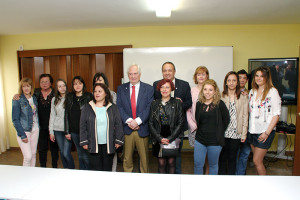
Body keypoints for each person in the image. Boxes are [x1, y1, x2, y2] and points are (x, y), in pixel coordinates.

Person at [153, 61, 192, 174]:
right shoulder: (156, 84)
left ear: (174, 71)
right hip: (161, 130)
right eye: (165, 70)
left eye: (170, 70)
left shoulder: (184, 84)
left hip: (177, 130)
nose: (167, 73)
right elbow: (155, 104)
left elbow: (189, 102)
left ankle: (176, 182)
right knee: (161, 161)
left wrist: (179, 105)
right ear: (162, 72)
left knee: (175, 159)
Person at [117, 64, 154, 173]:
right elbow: (119, 106)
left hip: (142, 128)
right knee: (127, 159)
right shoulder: (121, 88)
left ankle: (144, 180)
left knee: (144, 159)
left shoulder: (148, 88)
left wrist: (137, 121)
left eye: (135, 73)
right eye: (130, 74)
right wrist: (129, 122)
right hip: (127, 128)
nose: (133, 76)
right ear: (128, 75)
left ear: (140, 74)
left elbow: (149, 107)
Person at [80, 83, 124, 171]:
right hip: (93, 144)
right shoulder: (87, 107)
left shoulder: (113, 107)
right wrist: (84, 142)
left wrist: (118, 140)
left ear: (106, 94)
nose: (97, 93)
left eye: (100, 91)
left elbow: (118, 124)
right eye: (95, 91)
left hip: (109, 144)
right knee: (96, 170)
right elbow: (82, 125)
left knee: (107, 169)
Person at [248, 67, 281, 175]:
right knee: (258, 161)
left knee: (256, 161)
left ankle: (265, 185)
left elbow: (276, 114)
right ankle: (259, 183)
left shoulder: (272, 92)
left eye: (261, 76)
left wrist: (266, 133)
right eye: (257, 75)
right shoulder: (252, 91)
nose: (258, 78)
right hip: (252, 131)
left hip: (264, 131)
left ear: (267, 78)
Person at [194, 79, 230, 175]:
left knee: (213, 165)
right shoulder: (199, 104)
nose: (207, 92)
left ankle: (211, 187)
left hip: (215, 141)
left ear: (215, 91)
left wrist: (219, 132)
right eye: (205, 89)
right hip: (200, 139)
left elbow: (226, 120)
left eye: (210, 90)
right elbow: (198, 121)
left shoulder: (220, 104)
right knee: (198, 164)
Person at [149, 79, 183, 174]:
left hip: (172, 137)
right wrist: (159, 138)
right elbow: (150, 123)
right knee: (161, 164)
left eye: (167, 87)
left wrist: (170, 138)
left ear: (171, 89)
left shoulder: (177, 103)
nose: (164, 89)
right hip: (158, 138)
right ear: (159, 89)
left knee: (172, 163)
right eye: (162, 87)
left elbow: (180, 123)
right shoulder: (154, 104)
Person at [218, 71, 248, 175]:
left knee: (232, 158)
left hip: (236, 133)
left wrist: (243, 134)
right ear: (226, 82)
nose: (231, 83)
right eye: (229, 80)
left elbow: (245, 116)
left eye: (234, 80)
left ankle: (231, 180)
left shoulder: (243, 96)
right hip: (223, 133)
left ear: (237, 83)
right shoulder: (220, 96)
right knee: (222, 158)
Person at [93, 72, 119, 171]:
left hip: (110, 130)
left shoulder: (112, 94)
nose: (98, 82)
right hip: (97, 130)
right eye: (96, 81)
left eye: (100, 80)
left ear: (105, 81)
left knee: (111, 156)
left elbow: (115, 112)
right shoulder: (93, 95)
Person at [65, 76, 93, 170]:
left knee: (86, 154)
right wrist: (67, 131)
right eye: (75, 84)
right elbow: (66, 114)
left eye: (79, 83)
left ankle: (89, 172)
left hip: (85, 130)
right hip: (74, 130)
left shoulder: (88, 96)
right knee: (80, 154)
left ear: (83, 85)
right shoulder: (69, 96)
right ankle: (82, 172)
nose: (77, 86)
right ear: (72, 86)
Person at [12, 78, 39, 167]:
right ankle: (25, 177)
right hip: (24, 131)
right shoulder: (17, 99)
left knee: (34, 154)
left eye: (28, 86)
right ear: (21, 88)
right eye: (24, 86)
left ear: (31, 87)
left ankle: (32, 175)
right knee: (28, 157)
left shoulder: (34, 98)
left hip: (35, 130)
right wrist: (22, 134)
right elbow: (15, 119)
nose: (26, 88)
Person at [49, 79, 75, 169]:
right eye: (60, 86)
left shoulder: (71, 97)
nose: (62, 88)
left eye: (63, 85)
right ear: (57, 88)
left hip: (68, 129)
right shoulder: (54, 99)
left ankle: (72, 170)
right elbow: (52, 115)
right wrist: (51, 131)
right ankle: (65, 171)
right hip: (57, 129)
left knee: (66, 153)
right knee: (62, 152)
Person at [235, 69, 251, 175]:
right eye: (239, 78)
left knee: (245, 153)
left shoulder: (251, 93)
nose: (241, 80)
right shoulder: (230, 93)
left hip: (248, 128)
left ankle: (240, 175)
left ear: (247, 80)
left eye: (244, 78)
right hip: (235, 129)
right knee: (234, 154)